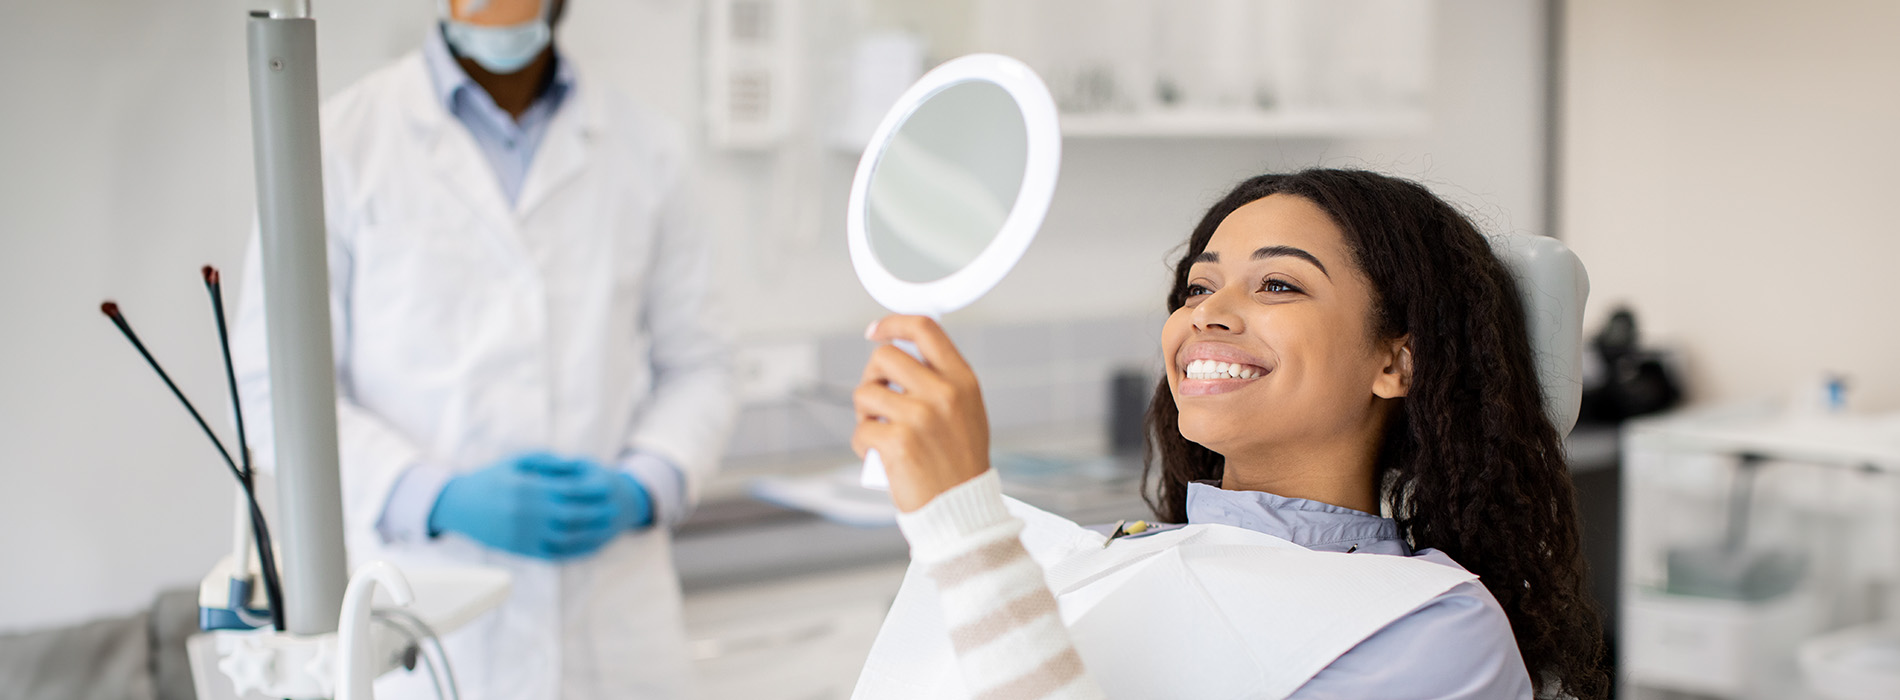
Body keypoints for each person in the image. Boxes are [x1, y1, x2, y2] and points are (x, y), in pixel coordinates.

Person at [850, 169, 1607, 699]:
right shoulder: (1116, 558)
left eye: (1279, 284)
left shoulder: (1435, 634)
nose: (1205, 314)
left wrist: (968, 532)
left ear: (1396, 360)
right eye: (1198, 287)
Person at [230, 1, 734, 698]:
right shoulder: (337, 144)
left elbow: (702, 365)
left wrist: (645, 483)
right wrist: (434, 498)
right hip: (421, 614)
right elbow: (274, 389)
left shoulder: (650, 150)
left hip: (612, 621)